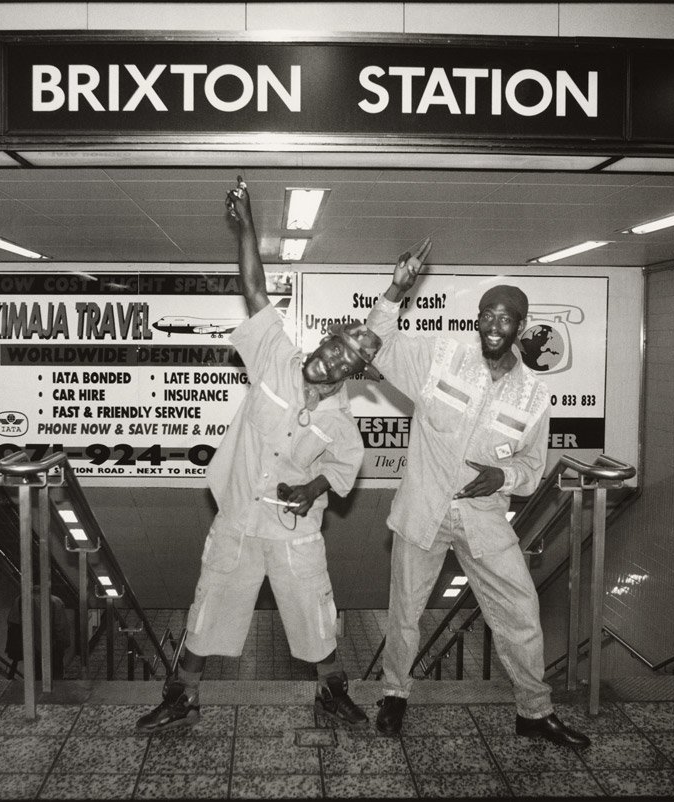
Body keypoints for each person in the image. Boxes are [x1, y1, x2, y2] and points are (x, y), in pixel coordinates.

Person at [137, 178, 380, 732]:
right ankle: (182, 698)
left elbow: (340, 475)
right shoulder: (275, 356)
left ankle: (332, 695)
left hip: (294, 532)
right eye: (334, 348)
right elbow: (253, 285)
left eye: (347, 363)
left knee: (315, 617)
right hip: (238, 521)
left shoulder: (342, 426)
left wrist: (311, 489)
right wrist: (247, 224)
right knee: (208, 610)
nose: (334, 362)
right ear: (321, 343)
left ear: (353, 376)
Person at [364, 244, 591, 748]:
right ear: (478, 317)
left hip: (483, 520)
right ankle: (394, 696)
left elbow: (533, 470)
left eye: (506, 317)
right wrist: (397, 288)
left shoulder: (534, 394)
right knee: (405, 613)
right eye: (487, 314)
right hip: (423, 511)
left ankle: (534, 712)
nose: (494, 324)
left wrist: (503, 477)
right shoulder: (442, 357)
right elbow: (375, 346)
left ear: (521, 326)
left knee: (522, 611)